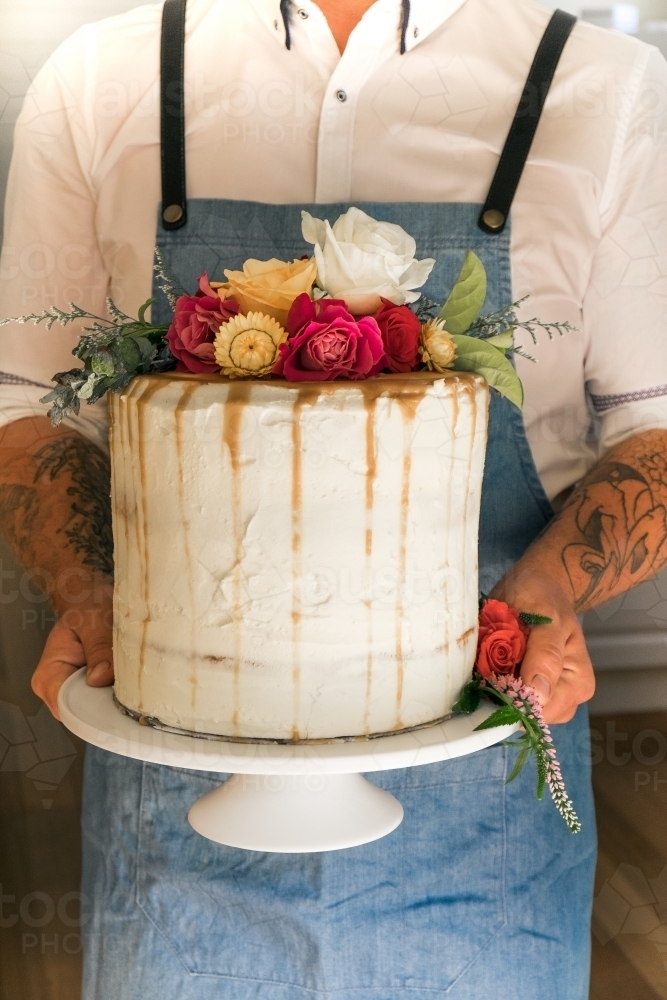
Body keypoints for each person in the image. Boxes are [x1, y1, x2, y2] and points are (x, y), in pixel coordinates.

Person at [0, 0, 666, 996]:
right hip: (177, 801)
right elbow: (27, 410)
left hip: (483, 807)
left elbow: (653, 429)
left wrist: (545, 596)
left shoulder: (607, 92)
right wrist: (88, 590)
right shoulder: (98, 83)